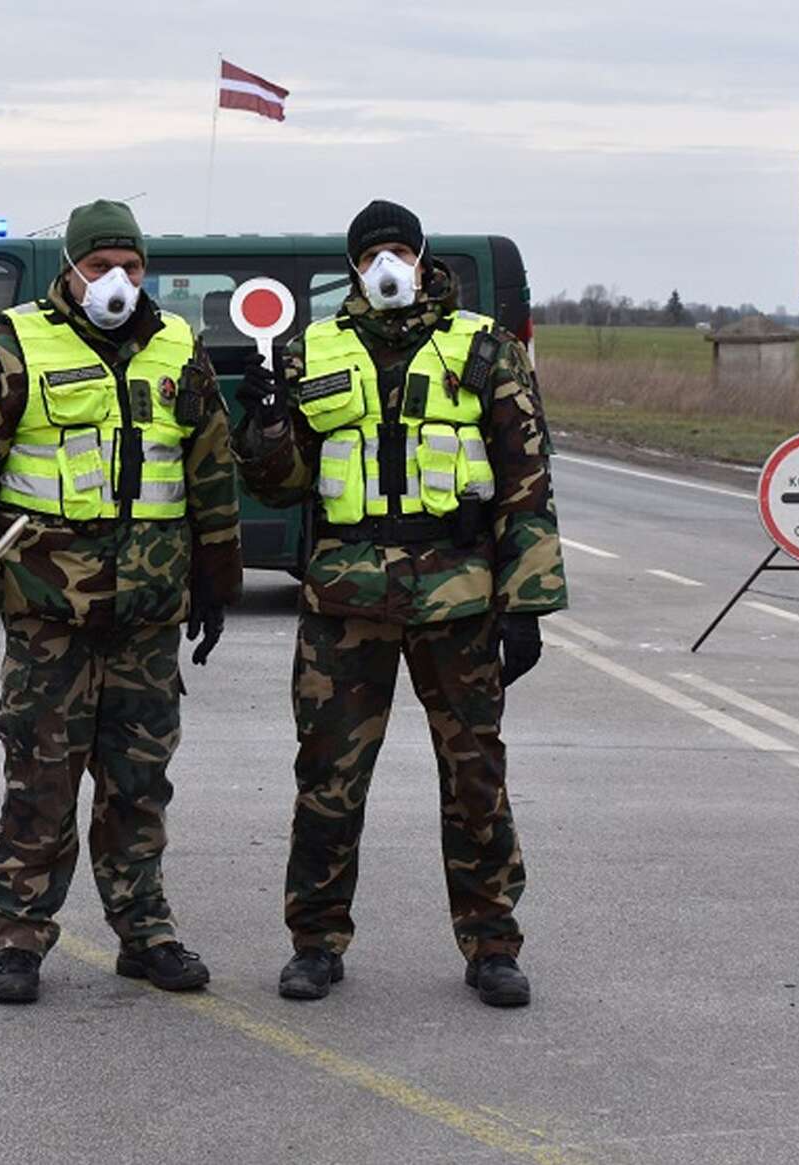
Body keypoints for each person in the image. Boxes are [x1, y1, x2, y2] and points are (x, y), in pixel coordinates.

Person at [230, 200, 567, 1007]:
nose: (387, 265)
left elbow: (528, 482)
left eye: (398, 250)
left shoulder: (482, 349)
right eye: (372, 252)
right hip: (346, 597)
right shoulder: (313, 350)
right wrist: (265, 426)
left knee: (476, 775)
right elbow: (281, 485)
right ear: (353, 267)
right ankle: (315, 940)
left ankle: (492, 943)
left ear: (421, 258)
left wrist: (527, 603)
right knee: (328, 778)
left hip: (458, 593)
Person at [0, 199, 243, 1005]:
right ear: (70, 269)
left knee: (139, 781)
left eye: (132, 268)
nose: (118, 281)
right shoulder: (12, 344)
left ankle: (145, 931)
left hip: (147, 612)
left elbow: (209, 471)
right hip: (49, 610)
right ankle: (20, 939)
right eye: (102, 267)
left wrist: (217, 576)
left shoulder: (178, 348)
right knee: (40, 779)